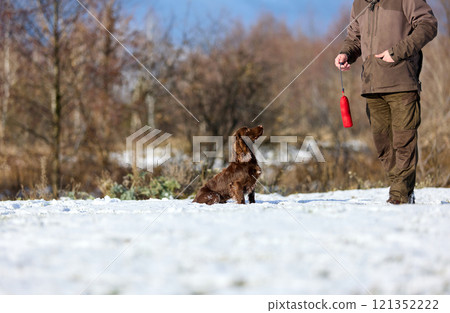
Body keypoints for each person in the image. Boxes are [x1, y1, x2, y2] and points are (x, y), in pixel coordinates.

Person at [335, 0, 438, 204]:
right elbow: (354, 38)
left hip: (402, 83)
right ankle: (402, 190)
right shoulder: (359, 4)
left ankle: (400, 197)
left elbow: (428, 25)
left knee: (403, 143)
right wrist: (346, 53)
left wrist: (397, 52)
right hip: (372, 86)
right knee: (384, 147)